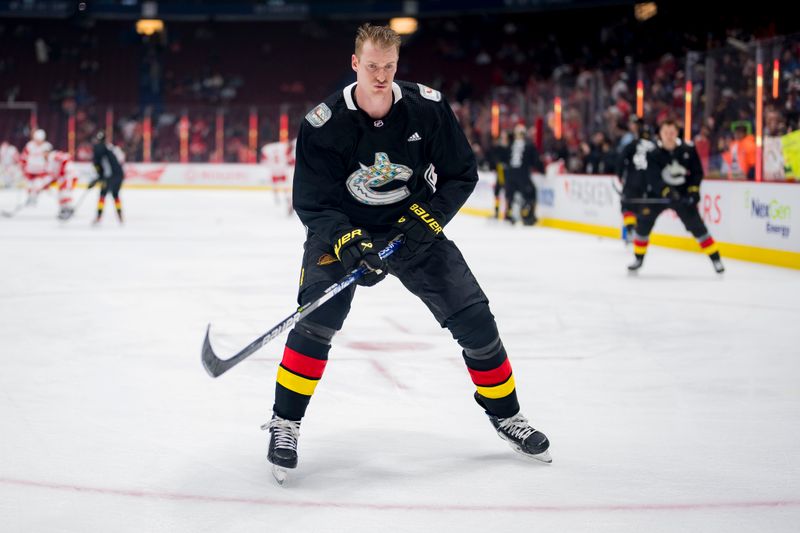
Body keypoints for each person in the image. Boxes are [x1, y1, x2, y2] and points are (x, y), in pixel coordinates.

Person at [265, 23, 551, 483]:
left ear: (398, 66)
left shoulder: (427, 109)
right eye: (372, 66)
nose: (381, 75)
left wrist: (423, 223)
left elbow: (460, 175)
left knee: (475, 319)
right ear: (355, 64)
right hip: (344, 233)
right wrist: (350, 244)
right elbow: (314, 201)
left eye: (389, 66)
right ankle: (286, 423)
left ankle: (507, 415)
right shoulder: (324, 122)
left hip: (411, 227)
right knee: (314, 322)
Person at [627, 119, 725, 273]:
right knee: (643, 225)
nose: (669, 135)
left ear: (677, 132)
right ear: (660, 134)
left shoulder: (688, 150)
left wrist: (693, 191)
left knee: (697, 227)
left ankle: (716, 258)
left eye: (672, 132)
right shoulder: (653, 154)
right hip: (659, 196)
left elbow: (697, 173)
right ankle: (638, 259)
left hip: (683, 196)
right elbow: (653, 178)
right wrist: (667, 192)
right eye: (665, 132)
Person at [617, 117, 656, 243]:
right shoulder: (654, 147)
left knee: (627, 206)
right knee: (642, 207)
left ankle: (630, 230)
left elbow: (620, 161)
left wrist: (619, 175)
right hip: (647, 183)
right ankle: (638, 231)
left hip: (632, 181)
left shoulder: (631, 145)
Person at [504, 123, 544, 225]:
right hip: (522, 174)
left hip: (510, 174)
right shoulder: (529, 145)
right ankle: (528, 217)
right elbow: (535, 161)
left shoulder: (511, 145)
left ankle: (509, 215)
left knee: (511, 196)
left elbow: (505, 159)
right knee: (530, 194)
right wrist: (543, 170)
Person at [90, 131, 125, 225]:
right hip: (119, 175)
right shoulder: (112, 148)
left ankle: (98, 217)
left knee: (102, 195)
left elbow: (99, 165)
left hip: (110, 176)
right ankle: (120, 216)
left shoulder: (99, 148)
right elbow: (121, 160)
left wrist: (98, 177)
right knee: (115, 195)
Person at [20, 129, 52, 204]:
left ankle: (34, 198)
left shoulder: (47, 146)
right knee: (29, 185)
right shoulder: (29, 145)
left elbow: (49, 159)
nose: (38, 142)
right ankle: (30, 198)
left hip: (41, 171)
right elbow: (24, 156)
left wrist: (48, 170)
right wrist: (22, 165)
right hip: (30, 170)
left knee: (37, 185)